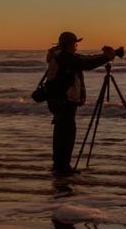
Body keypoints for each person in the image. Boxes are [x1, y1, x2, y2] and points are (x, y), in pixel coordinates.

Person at [43, 32, 116, 175]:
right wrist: (106, 57)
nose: (76, 46)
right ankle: (62, 167)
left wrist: (105, 56)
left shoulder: (63, 55)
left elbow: (84, 60)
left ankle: (60, 166)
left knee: (63, 132)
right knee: (66, 133)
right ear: (69, 44)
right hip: (62, 100)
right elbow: (85, 64)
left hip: (62, 99)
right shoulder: (63, 56)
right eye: (75, 43)